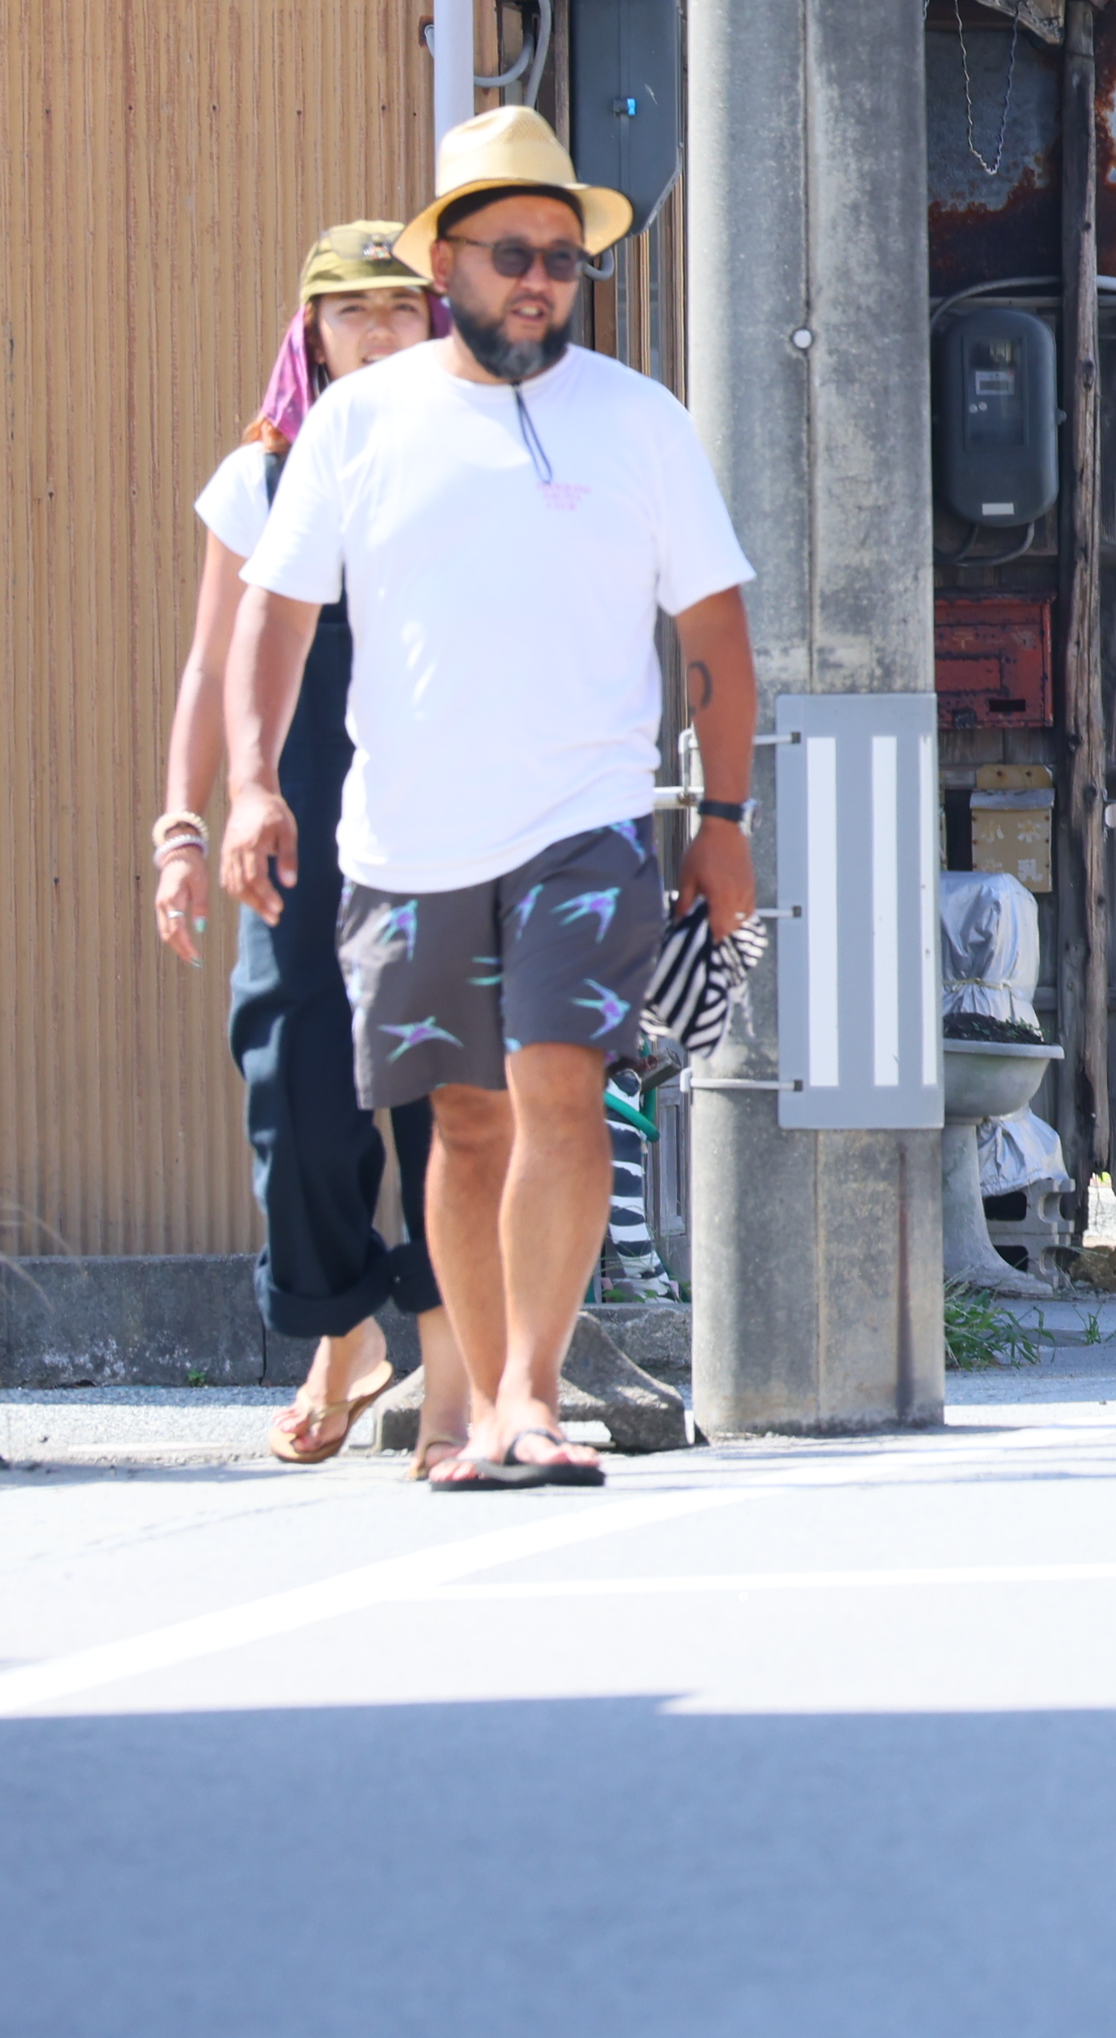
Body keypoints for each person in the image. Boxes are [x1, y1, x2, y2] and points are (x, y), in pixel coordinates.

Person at [223, 106, 757, 1493]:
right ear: (447, 263)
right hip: (405, 840)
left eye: (562, 260)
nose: (539, 280)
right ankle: (469, 1415)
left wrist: (725, 820)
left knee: (561, 1095)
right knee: (463, 1120)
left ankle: (529, 1392)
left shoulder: (636, 422)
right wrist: (246, 786)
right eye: (511, 253)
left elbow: (715, 638)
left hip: (587, 820)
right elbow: (271, 624)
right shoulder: (359, 423)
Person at [151, 218, 462, 1467]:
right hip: (293, 816)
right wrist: (185, 821)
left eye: (399, 310)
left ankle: (450, 1362)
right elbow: (212, 660)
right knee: (293, 1073)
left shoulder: (474, 454)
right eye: (352, 312)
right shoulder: (262, 477)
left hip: (444, 810)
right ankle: (342, 1326)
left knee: (447, 1082)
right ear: (313, 335)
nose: (378, 332)